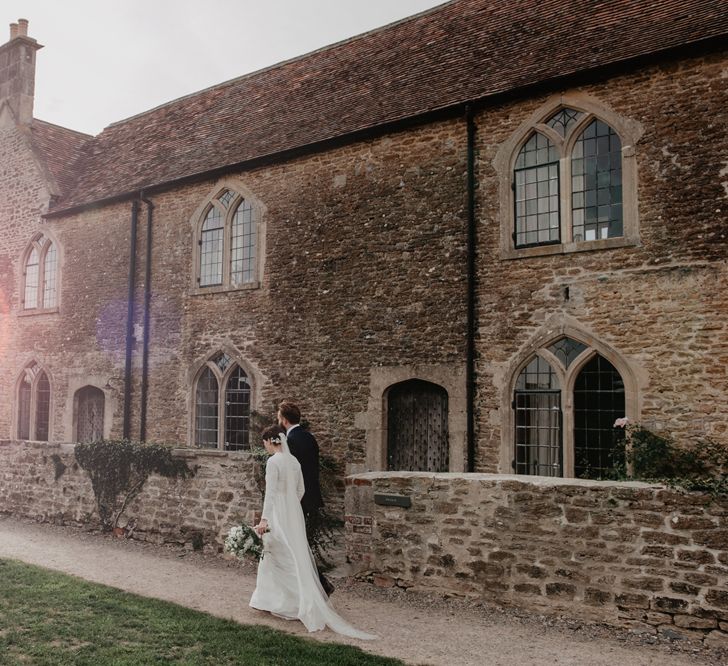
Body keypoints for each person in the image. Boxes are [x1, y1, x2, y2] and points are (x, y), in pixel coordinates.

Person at [249, 425, 375, 640]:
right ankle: (274, 600)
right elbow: (301, 491)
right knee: (294, 552)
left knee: (278, 552)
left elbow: (269, 494)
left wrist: (264, 519)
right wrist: (291, 506)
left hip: (278, 511)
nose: (266, 447)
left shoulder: (273, 462)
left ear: (271, 440)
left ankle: (290, 602)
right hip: (294, 512)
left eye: (265, 443)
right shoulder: (294, 461)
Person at [276, 401, 334, 596]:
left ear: (283, 420)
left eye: (279, 417)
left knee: (296, 546)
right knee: (302, 544)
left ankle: (317, 585)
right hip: (312, 498)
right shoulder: (310, 437)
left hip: (298, 499)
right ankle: (311, 585)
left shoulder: (289, 441)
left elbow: (290, 473)